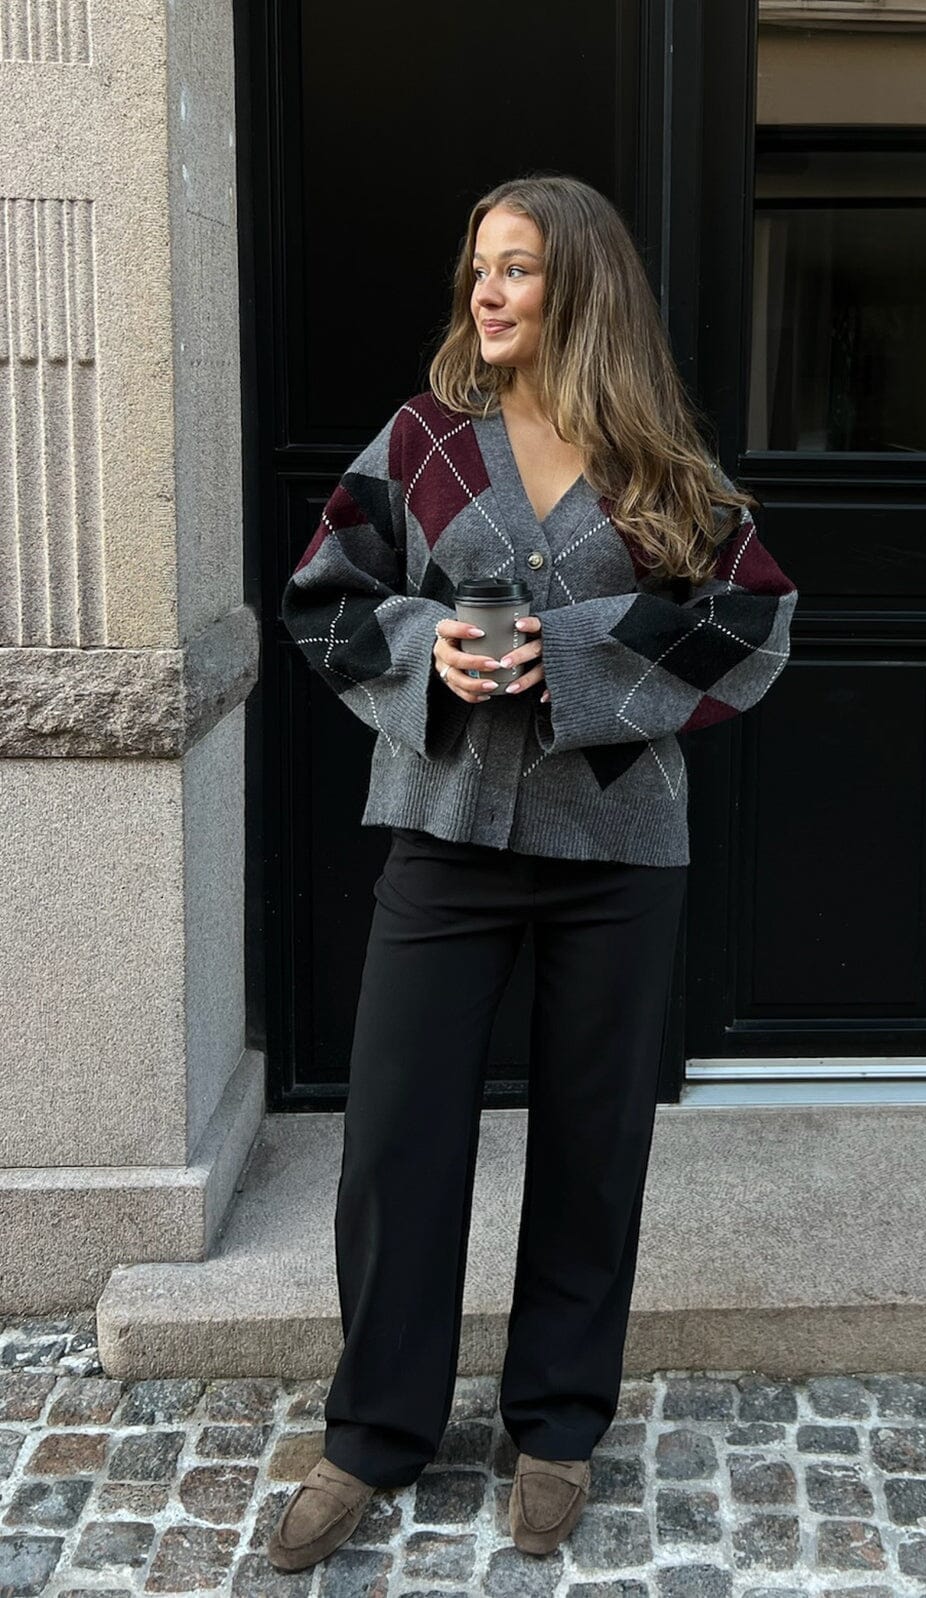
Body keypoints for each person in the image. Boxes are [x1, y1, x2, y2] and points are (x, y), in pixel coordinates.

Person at [268, 173, 798, 1575]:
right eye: (478, 267)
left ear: (581, 286)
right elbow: (322, 595)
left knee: (591, 1140)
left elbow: (752, 621)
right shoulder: (426, 441)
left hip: (617, 851)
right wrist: (423, 643)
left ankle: (557, 1425)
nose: (484, 291)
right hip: (444, 835)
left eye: (515, 267)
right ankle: (373, 1433)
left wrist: (571, 658)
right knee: (397, 1141)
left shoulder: (655, 460)